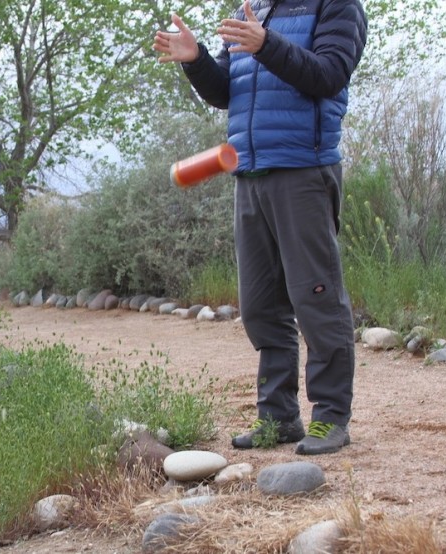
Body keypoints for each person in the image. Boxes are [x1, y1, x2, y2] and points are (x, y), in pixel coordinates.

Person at [153, 0, 367, 455]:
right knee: (260, 307)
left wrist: (267, 44)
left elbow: (329, 76)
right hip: (249, 173)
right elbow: (229, 92)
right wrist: (198, 61)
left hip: (304, 170)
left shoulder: (337, 6)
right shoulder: (254, 8)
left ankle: (330, 417)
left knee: (317, 300)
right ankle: (278, 416)